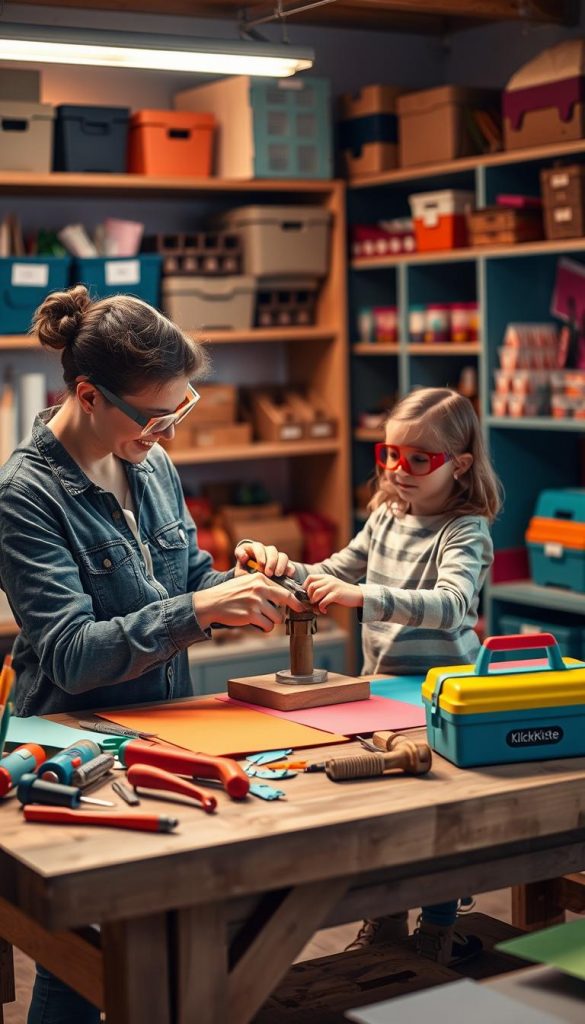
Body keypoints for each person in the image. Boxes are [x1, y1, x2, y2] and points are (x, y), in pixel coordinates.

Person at [0, 284, 303, 1024]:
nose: (167, 432)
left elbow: (183, 578)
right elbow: (71, 654)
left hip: (169, 728)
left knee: (182, 931)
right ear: (89, 395)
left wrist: (238, 580)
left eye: (180, 411)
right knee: (79, 965)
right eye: (156, 417)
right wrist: (200, 609)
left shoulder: (149, 461)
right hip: (73, 742)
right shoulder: (23, 495)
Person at [238, 386, 503, 966]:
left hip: (440, 701)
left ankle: (437, 926)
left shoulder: (466, 530)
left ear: (458, 465)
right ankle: (383, 923)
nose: (397, 470)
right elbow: (332, 570)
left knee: (437, 822)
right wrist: (281, 564)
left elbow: (454, 603)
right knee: (387, 815)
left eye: (417, 459)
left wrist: (363, 596)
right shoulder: (386, 516)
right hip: (383, 693)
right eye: (388, 454)